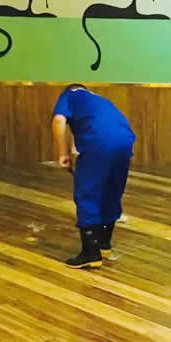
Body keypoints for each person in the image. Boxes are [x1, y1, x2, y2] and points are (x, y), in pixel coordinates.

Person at [52, 84, 135, 268]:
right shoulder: (99, 100)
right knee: (112, 191)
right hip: (125, 139)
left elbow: (58, 121)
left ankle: (91, 253)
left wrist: (63, 154)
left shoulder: (69, 94)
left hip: (98, 141)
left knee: (87, 193)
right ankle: (104, 244)